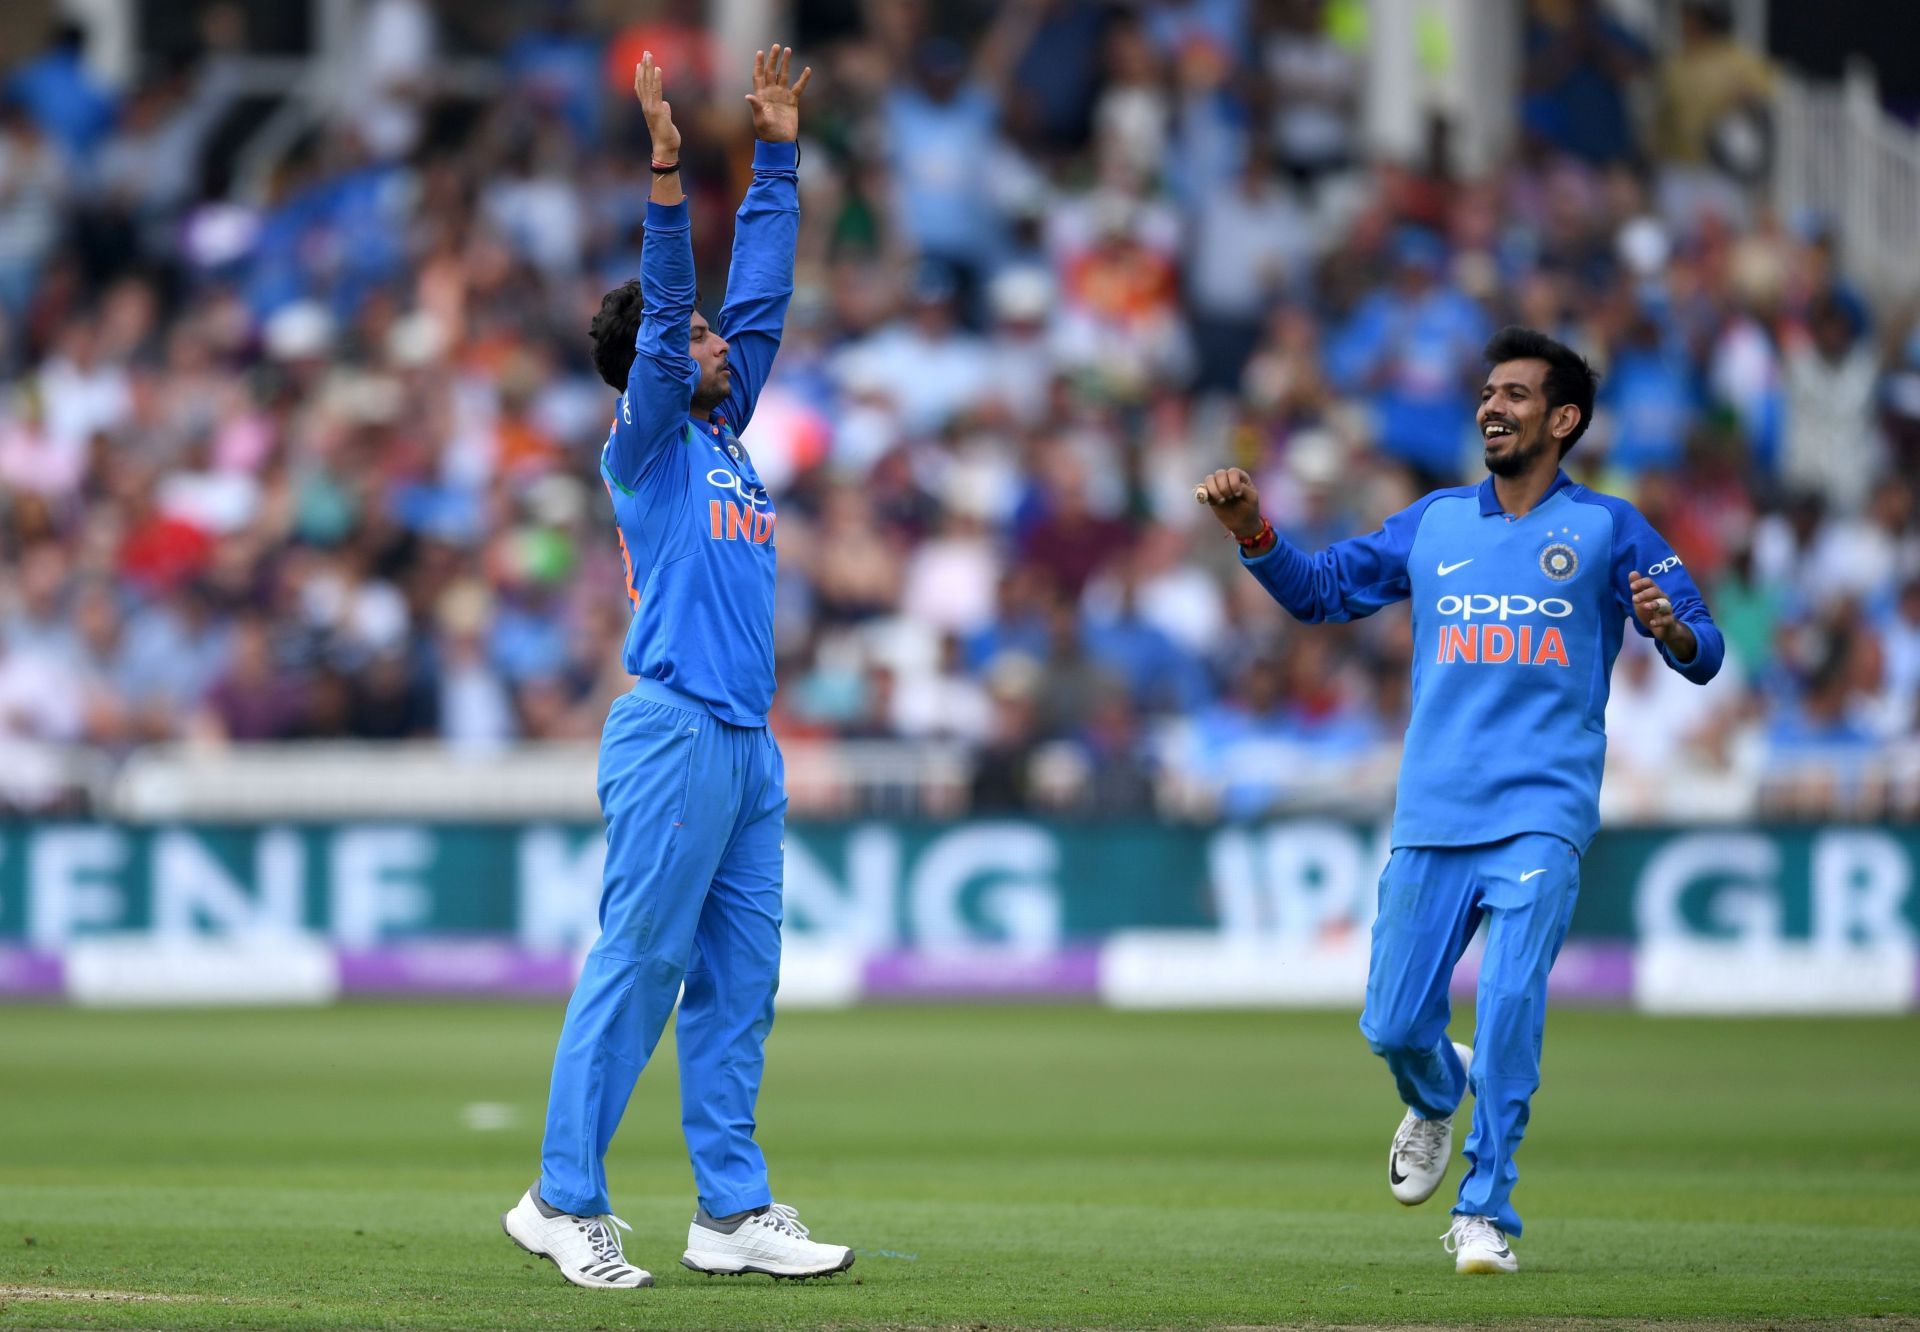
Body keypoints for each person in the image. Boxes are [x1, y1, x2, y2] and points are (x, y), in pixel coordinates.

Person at [1196, 326, 1724, 1274]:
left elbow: (1705, 645)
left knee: (1514, 998)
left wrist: (1670, 635)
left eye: (1517, 395)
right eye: (1488, 391)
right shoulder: (1434, 521)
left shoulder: (1609, 527)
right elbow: (1320, 593)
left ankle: (1485, 1212)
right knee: (1395, 1026)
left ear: (1563, 420)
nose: (1493, 405)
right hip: (1435, 810)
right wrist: (1253, 536)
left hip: (1544, 809)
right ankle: (1436, 1094)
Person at [500, 47, 853, 1290]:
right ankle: (560, 1198)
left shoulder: (724, 432)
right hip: (670, 734)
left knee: (740, 985)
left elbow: (760, 297)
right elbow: (679, 311)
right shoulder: (645, 442)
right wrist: (664, 171)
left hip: (747, 745)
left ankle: (730, 1212)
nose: (717, 339)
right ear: (655, 361)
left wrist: (776, 159)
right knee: (640, 965)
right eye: (690, 334)